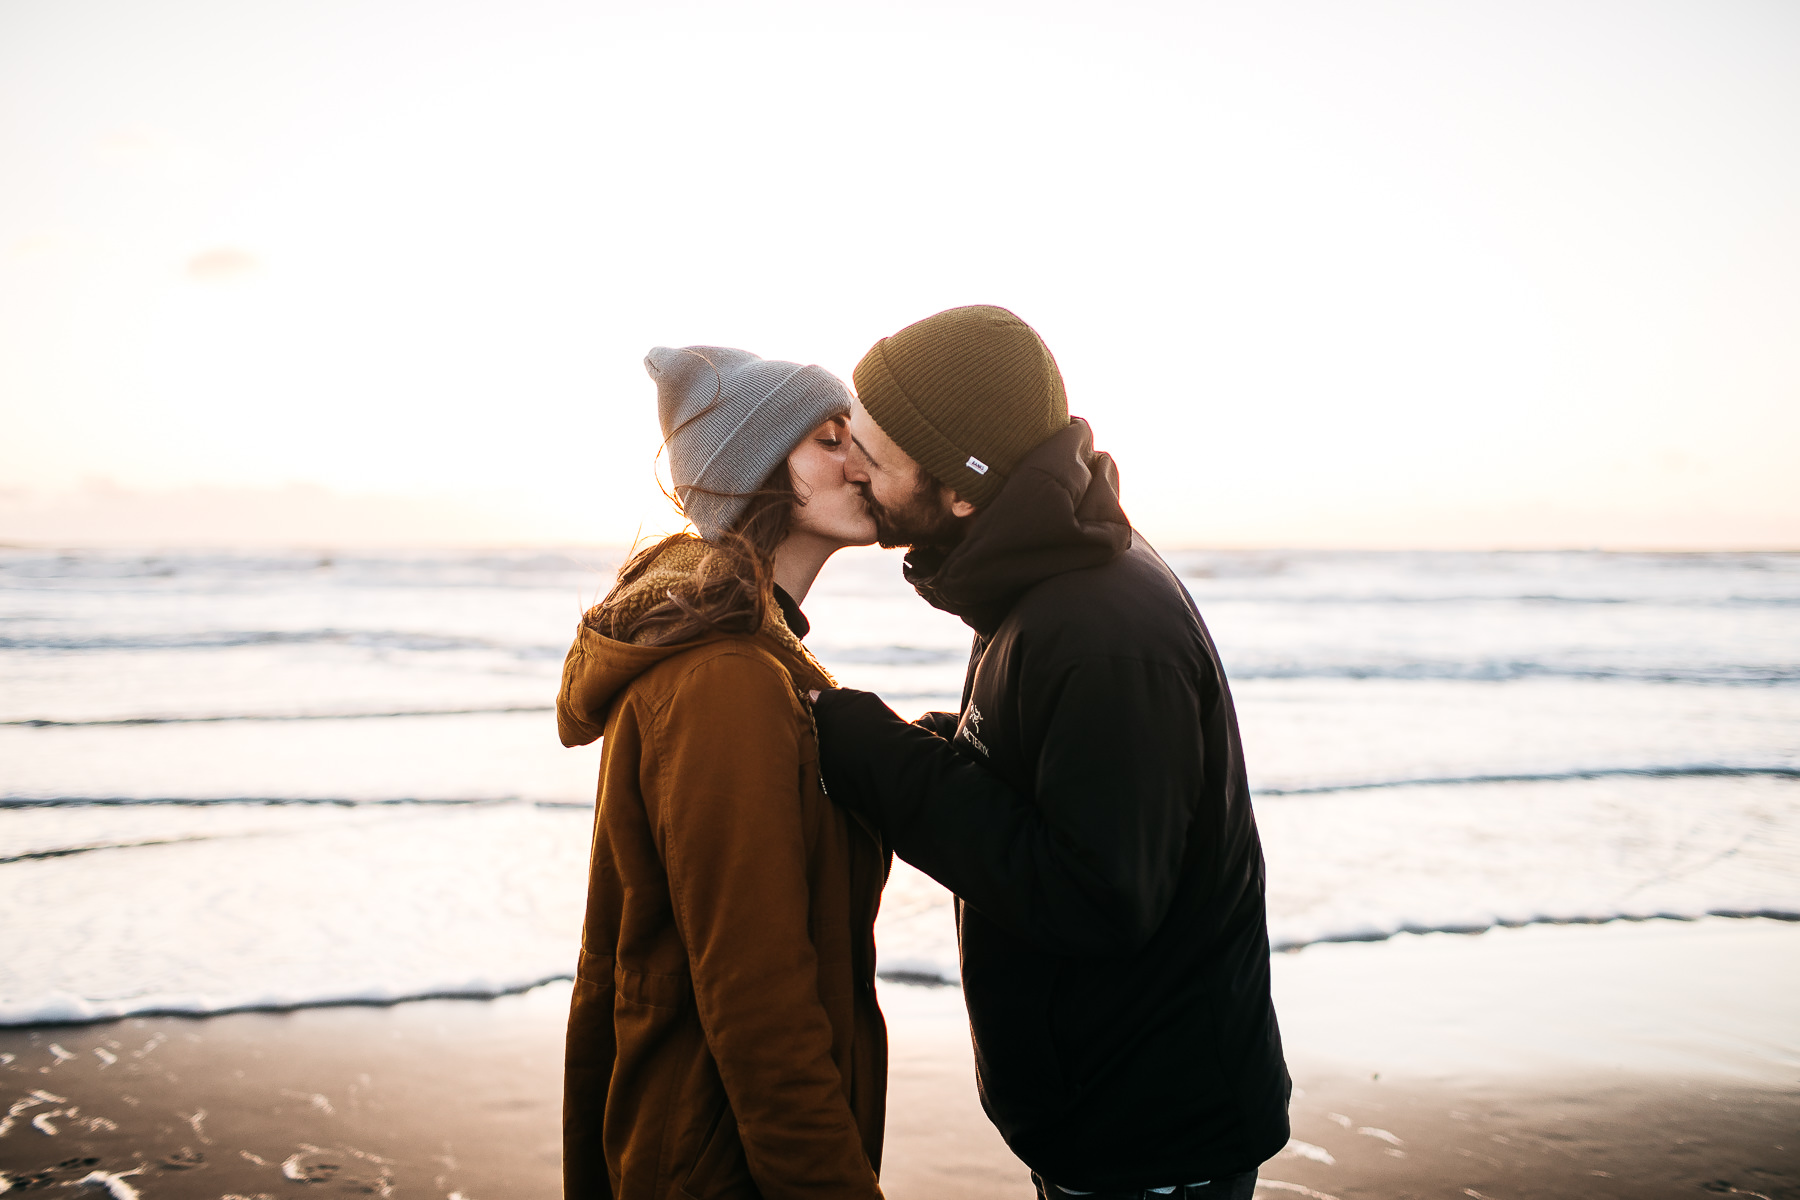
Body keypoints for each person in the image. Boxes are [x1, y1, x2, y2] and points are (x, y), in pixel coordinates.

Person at [809, 306, 1291, 1200]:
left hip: (1151, 1141)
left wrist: (872, 755)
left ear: (960, 489)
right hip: (1109, 1107)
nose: (852, 467)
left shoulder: (1099, 628)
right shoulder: (1041, 577)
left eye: (872, 451)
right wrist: (920, 746)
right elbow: (1038, 778)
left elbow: (1097, 897)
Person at [556, 346, 890, 1200]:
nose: (864, 460)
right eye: (830, 439)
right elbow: (758, 1003)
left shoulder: (747, 662)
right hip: (719, 1166)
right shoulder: (725, 682)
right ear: (755, 473)